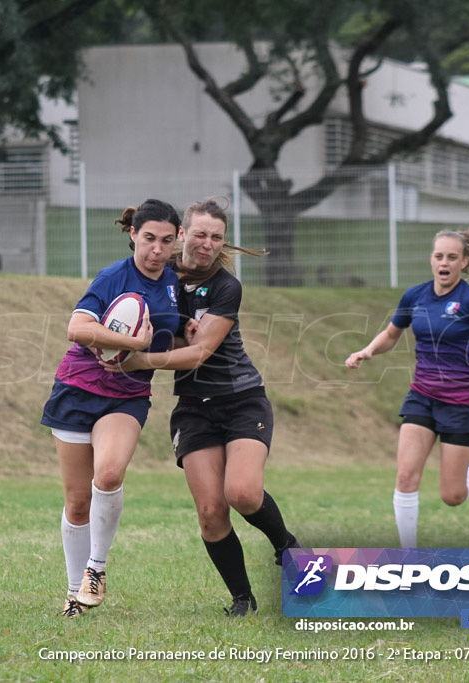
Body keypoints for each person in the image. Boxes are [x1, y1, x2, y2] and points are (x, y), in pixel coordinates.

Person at [112, 197, 301, 617]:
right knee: (211, 512)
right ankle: (242, 599)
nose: (207, 244)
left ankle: (287, 546)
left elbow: (198, 353)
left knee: (242, 493)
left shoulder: (226, 286)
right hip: (194, 407)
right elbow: (144, 314)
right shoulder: (161, 273)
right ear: (182, 234)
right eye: (200, 234)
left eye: (217, 237)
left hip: (241, 399)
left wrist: (141, 358)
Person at [344, 218, 469, 548]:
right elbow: (390, 335)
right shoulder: (415, 296)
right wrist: (367, 350)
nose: (444, 263)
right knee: (405, 476)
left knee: (452, 496)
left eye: (452, 258)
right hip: (422, 397)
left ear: (464, 262)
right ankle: (408, 558)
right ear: (431, 258)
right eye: (439, 256)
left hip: (461, 404)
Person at [41, 199, 181, 618]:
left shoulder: (175, 283)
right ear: (134, 235)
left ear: (176, 243)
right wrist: (134, 343)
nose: (157, 249)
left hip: (126, 395)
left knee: (110, 473)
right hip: (77, 389)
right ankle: (72, 595)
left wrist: (185, 330)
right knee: (77, 501)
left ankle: (96, 570)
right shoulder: (113, 276)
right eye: (150, 238)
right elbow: (76, 328)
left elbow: (174, 329)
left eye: (167, 241)